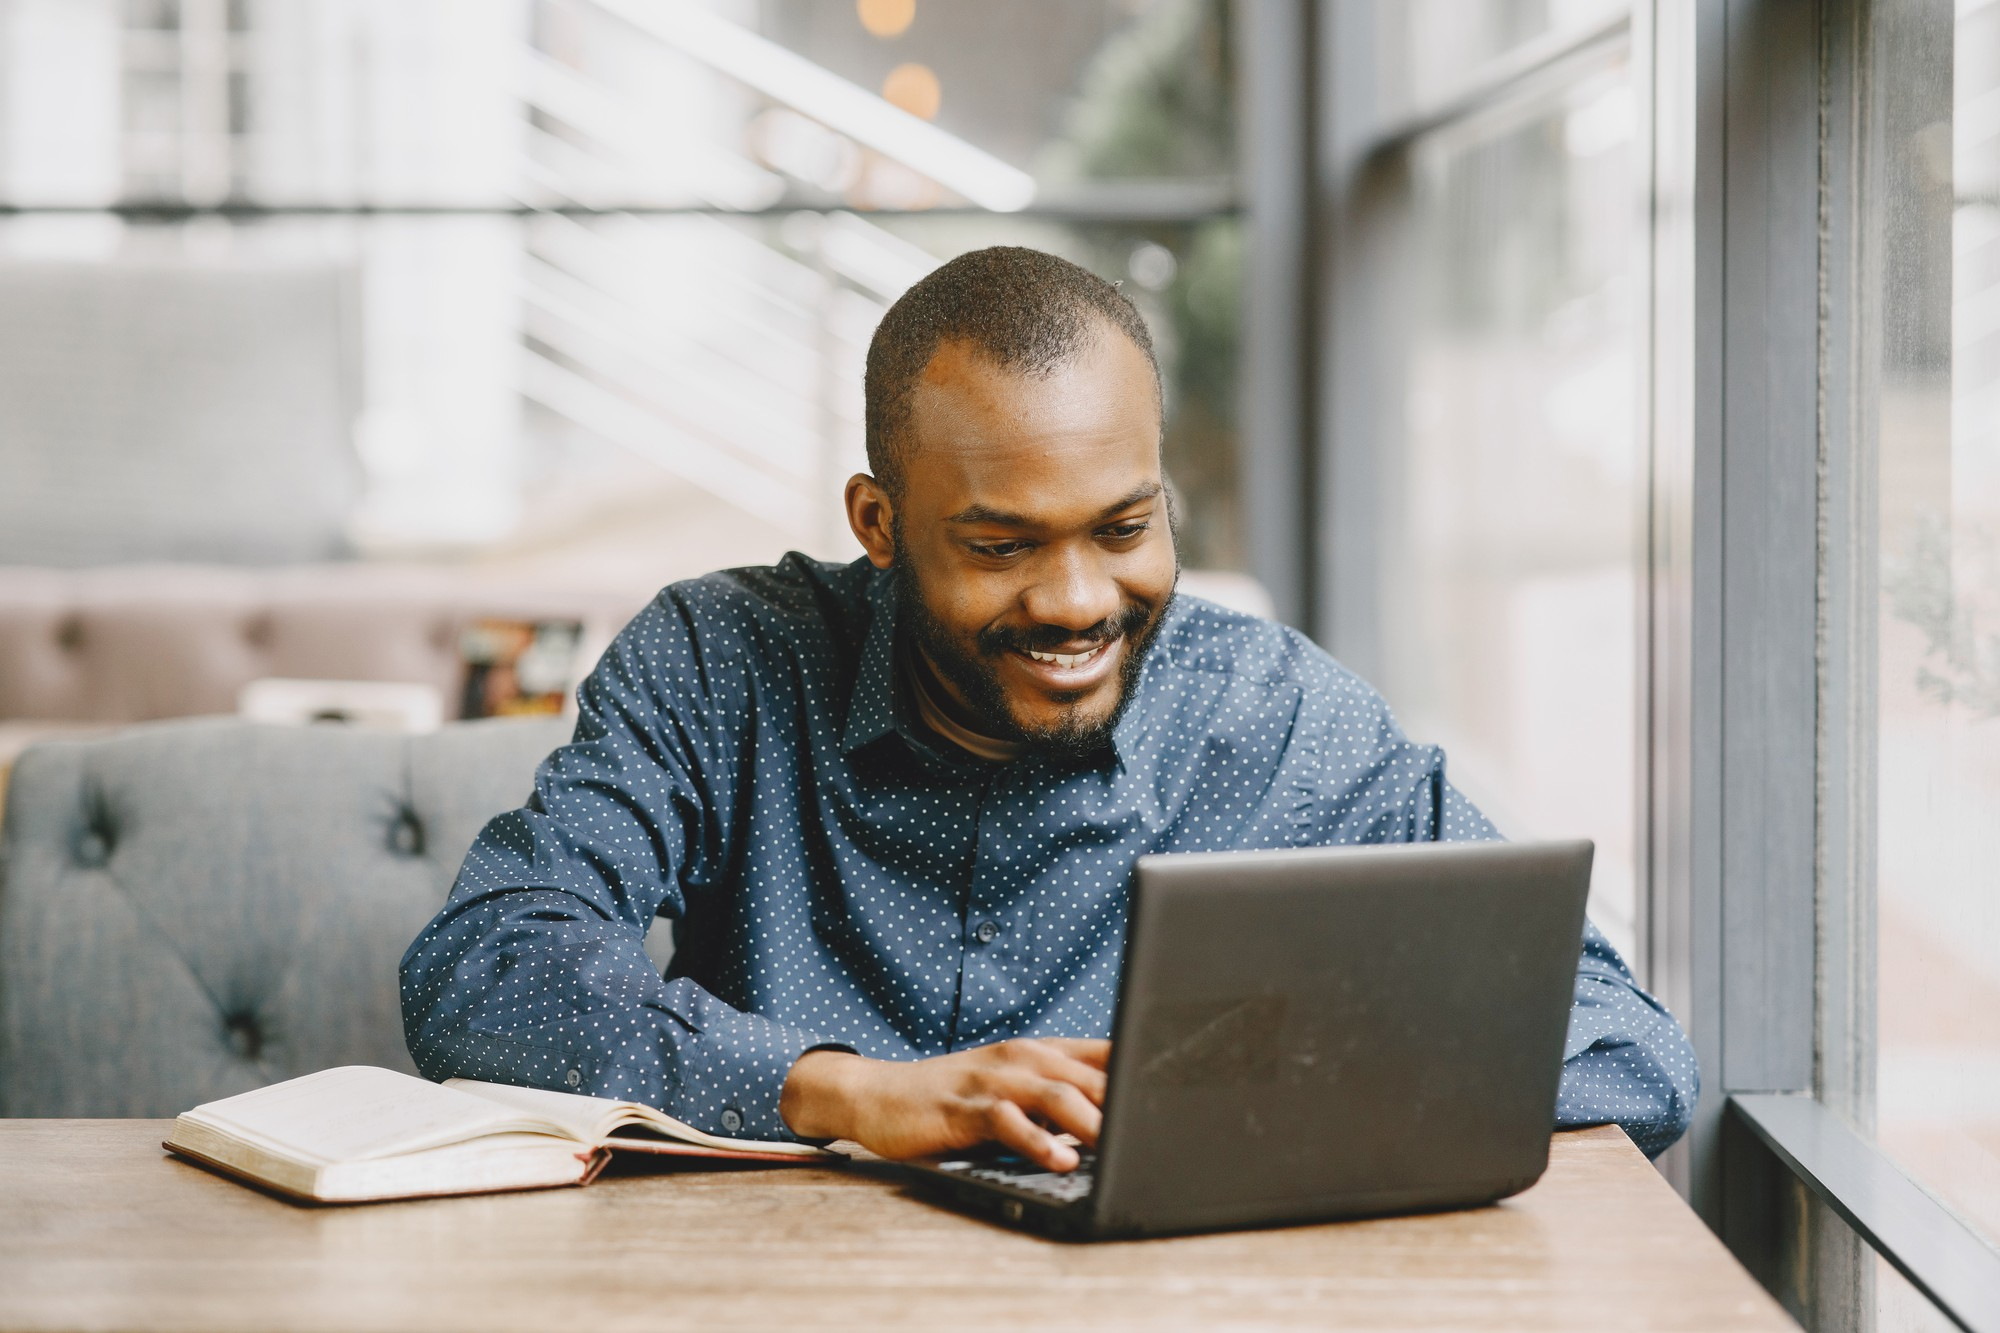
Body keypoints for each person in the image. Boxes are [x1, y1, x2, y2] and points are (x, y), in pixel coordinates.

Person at [400, 246, 1698, 1171]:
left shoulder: (1281, 720)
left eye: (1124, 527)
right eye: (1004, 544)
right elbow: (484, 965)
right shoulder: (722, 659)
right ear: (880, 523)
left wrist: (1210, 1101)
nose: (1081, 599)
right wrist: (853, 1093)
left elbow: (1628, 1053)